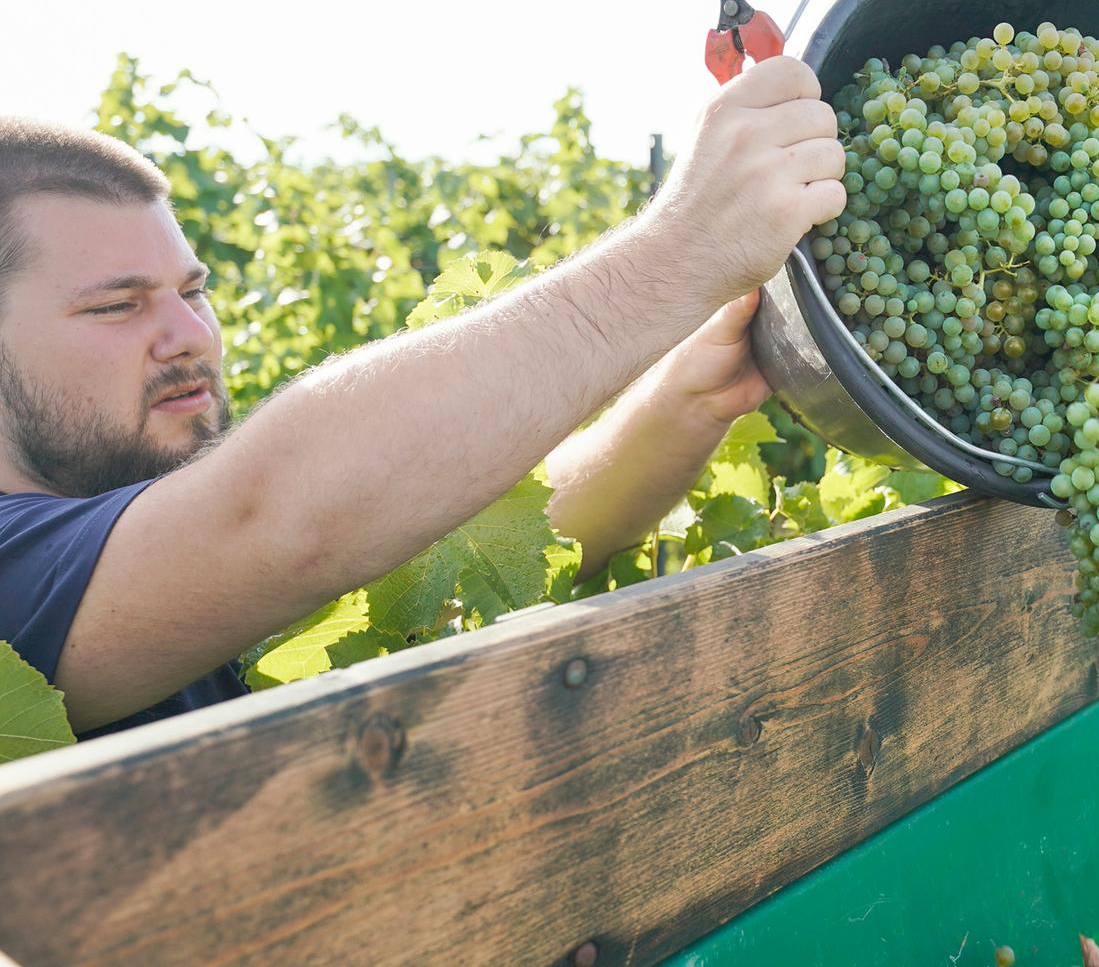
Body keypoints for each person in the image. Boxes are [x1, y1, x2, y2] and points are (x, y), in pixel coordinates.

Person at [0, 57, 845, 737]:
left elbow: (507, 537)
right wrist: (675, 254)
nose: (189, 334)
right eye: (117, 306)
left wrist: (688, 402)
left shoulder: (151, 562)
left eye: (194, 292)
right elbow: (279, 517)